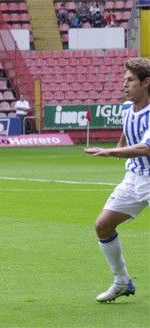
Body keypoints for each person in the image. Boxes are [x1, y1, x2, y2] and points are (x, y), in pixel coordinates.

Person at [84, 57, 149, 303]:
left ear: (146, 83)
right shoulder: (126, 108)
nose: (124, 84)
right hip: (134, 177)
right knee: (103, 225)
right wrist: (120, 144)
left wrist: (112, 152)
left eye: (130, 80)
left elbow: (145, 147)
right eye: (124, 79)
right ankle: (122, 281)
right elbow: (128, 130)